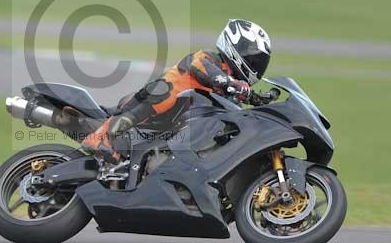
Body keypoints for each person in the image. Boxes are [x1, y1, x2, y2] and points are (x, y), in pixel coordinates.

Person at [82, 19, 272, 163]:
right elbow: (212, 76)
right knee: (163, 94)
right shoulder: (207, 58)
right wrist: (237, 86)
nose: (256, 66)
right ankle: (100, 138)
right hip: (153, 99)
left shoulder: (227, 84)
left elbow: (230, 95)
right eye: (254, 59)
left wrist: (255, 99)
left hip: (172, 121)